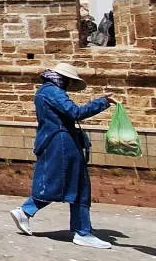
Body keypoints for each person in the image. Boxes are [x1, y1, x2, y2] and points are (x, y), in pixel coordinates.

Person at [9, 63, 115, 249]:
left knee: (59, 182)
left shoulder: (45, 91)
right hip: (62, 142)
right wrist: (102, 102)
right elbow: (75, 113)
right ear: (64, 79)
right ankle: (81, 232)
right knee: (76, 185)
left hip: (55, 141)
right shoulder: (53, 92)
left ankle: (27, 212)